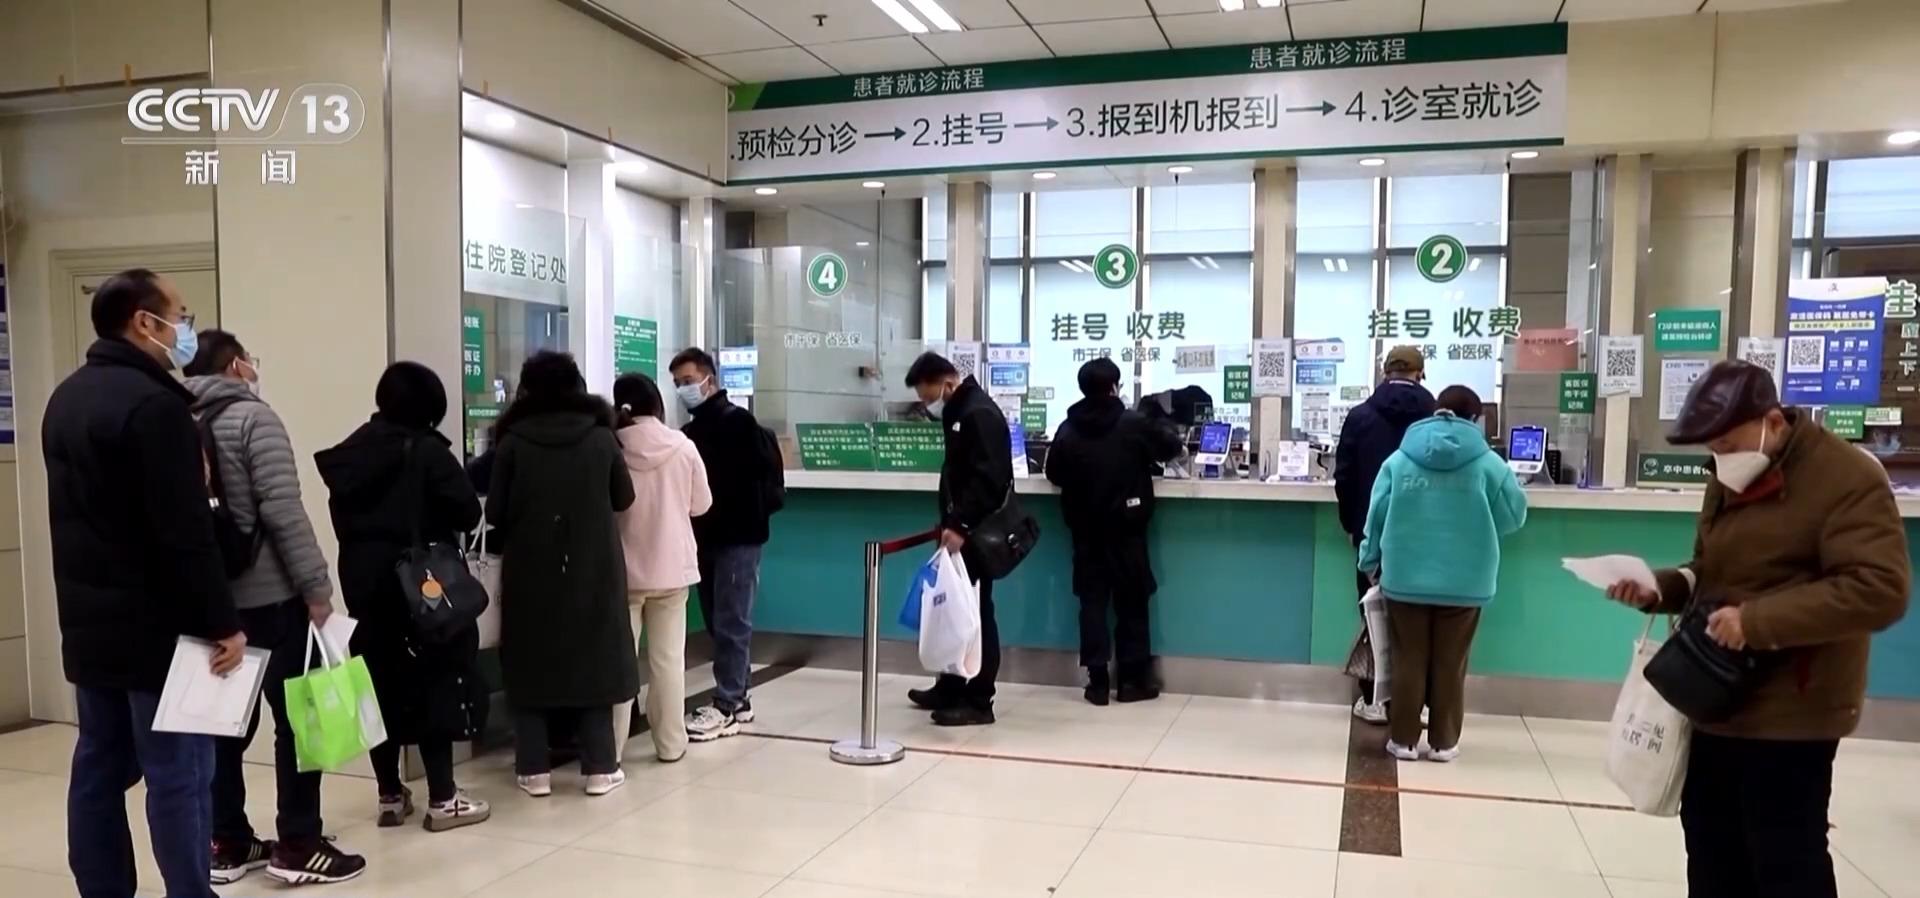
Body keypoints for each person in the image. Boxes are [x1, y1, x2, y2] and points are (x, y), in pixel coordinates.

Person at [1603, 361, 1908, 898]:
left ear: (1773, 420)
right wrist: (1662, 587)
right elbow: (1712, 569)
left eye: (1726, 442)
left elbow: (1879, 589)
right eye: (1711, 447)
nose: (1720, 456)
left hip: (1795, 708)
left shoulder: (1846, 478)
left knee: (1784, 856)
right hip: (1716, 695)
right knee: (1711, 845)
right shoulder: (1728, 476)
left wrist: (1757, 621)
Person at [44, 269, 243, 898]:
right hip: (159, 630)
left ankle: (102, 888)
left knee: (98, 767)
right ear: (143, 322)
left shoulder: (66, 398)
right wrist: (223, 622)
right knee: (179, 772)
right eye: (179, 317)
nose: (185, 330)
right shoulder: (157, 408)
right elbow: (185, 533)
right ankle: (190, 890)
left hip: (89, 625)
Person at [182, 331, 367, 883]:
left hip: (210, 601)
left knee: (222, 727)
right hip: (270, 598)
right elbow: (283, 509)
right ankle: (299, 843)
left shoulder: (176, 420)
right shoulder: (253, 419)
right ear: (236, 366)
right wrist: (317, 588)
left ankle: (227, 841)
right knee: (300, 720)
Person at [314, 361, 493, 832]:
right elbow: (467, 511)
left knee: (378, 683)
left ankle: (390, 794)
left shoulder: (350, 453)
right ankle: (444, 798)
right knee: (435, 678)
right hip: (421, 586)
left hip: (364, 583)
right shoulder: (426, 451)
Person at [487, 351, 637, 796]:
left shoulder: (512, 442)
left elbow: (495, 511)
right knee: (595, 661)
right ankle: (600, 768)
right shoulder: (601, 438)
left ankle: (534, 769)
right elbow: (624, 497)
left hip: (529, 569)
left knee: (530, 662)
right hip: (593, 567)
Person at [1358, 385, 1526, 763]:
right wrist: (1481, 524)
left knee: (1407, 659)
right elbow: (1514, 515)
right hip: (1467, 581)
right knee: (1451, 663)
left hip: (1405, 578)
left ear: (1435, 411)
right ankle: (1444, 743)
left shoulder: (1399, 460)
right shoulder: (1489, 464)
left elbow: (1376, 514)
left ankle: (1403, 740)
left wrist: (1369, 561)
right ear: (1475, 419)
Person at [1044, 358, 1183, 705]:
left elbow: (1054, 472)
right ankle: (1132, 681)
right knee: (1132, 602)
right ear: (1114, 387)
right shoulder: (1132, 423)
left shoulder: (1068, 427)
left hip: (1085, 530)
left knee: (1092, 603)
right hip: (1127, 527)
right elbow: (1170, 448)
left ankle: (1097, 682)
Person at [670, 348, 779, 742]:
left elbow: (747, 483)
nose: (683, 389)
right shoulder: (692, 431)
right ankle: (740, 695)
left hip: (738, 537)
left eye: (688, 381)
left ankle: (728, 704)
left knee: (732, 621)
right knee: (720, 620)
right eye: (677, 383)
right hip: (708, 538)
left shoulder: (737, 424)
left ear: (709, 380)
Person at [903, 352, 1013, 726]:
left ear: (947, 383)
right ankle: (951, 685)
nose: (926, 404)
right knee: (952, 609)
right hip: (960, 530)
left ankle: (980, 699)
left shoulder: (977, 413)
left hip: (975, 534)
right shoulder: (960, 411)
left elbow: (988, 479)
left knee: (976, 613)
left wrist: (961, 524)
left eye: (928, 395)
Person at [611, 373, 713, 762]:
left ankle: (611, 751)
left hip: (623, 572)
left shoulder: (612, 447)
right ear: (657, 404)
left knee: (619, 663)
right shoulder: (683, 446)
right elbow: (701, 504)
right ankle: (670, 744)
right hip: (672, 570)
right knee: (668, 662)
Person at [1334, 345, 1436, 724]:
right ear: (1419, 374)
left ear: (1384, 371)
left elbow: (1344, 476)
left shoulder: (1360, 416)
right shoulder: (1435, 417)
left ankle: (1374, 699)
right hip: (1424, 533)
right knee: (1422, 620)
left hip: (1372, 532)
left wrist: (1351, 524)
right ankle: (1418, 704)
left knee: (1373, 613)